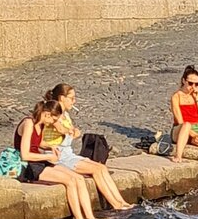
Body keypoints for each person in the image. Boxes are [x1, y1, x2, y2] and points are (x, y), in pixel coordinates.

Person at [42, 83, 133, 211]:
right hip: (58, 155)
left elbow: (69, 132)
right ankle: (115, 204)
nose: (74, 101)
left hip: (68, 152)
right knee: (95, 170)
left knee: (101, 167)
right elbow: (61, 128)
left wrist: (74, 132)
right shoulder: (54, 114)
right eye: (72, 98)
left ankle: (121, 202)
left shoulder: (66, 114)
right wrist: (71, 131)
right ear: (62, 98)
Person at [15, 100, 97, 219]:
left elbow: (38, 143)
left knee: (78, 178)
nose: (53, 124)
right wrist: (47, 157)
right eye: (53, 120)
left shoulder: (40, 124)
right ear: (47, 114)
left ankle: (91, 218)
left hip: (39, 160)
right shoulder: (29, 123)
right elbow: (25, 154)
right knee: (69, 181)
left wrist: (50, 147)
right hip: (28, 166)